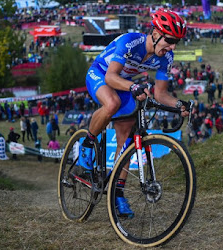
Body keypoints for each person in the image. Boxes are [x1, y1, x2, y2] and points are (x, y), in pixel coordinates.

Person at [78, 9, 189, 217]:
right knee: (111, 104)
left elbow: (161, 93)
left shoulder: (166, 57)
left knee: (127, 140)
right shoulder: (131, 42)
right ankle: (87, 146)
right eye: (171, 40)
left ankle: (117, 192)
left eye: (177, 42)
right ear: (155, 33)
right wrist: (132, 87)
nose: (173, 47)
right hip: (101, 73)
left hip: (123, 84)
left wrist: (179, 104)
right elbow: (111, 77)